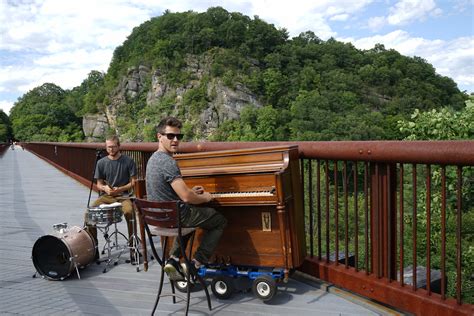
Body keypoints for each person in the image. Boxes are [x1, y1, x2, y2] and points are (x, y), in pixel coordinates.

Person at [145, 116, 227, 280]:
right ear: (159, 137)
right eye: (170, 136)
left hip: (160, 218)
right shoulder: (168, 162)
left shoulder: (152, 159)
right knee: (219, 220)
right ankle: (196, 263)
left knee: (191, 214)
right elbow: (186, 198)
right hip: (176, 218)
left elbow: (173, 193)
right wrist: (207, 197)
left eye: (178, 136)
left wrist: (191, 192)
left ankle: (173, 259)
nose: (175, 140)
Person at [85, 135, 138, 261]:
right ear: (106, 147)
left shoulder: (128, 161)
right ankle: (94, 249)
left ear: (119, 146)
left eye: (114, 147)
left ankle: (133, 248)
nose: (111, 149)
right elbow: (99, 183)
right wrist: (105, 189)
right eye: (109, 147)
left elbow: (133, 182)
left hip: (124, 196)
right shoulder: (101, 162)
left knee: (130, 212)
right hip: (107, 196)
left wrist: (120, 189)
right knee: (89, 213)